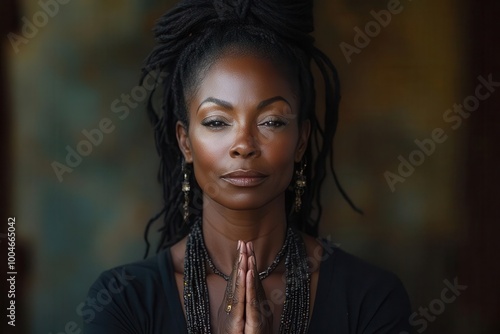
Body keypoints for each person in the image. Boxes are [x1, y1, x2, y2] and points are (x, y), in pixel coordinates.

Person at [83, 0, 412, 333]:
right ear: (185, 142)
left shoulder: (371, 299)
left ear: (301, 141)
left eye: (271, 121)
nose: (244, 145)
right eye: (216, 122)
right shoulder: (123, 302)